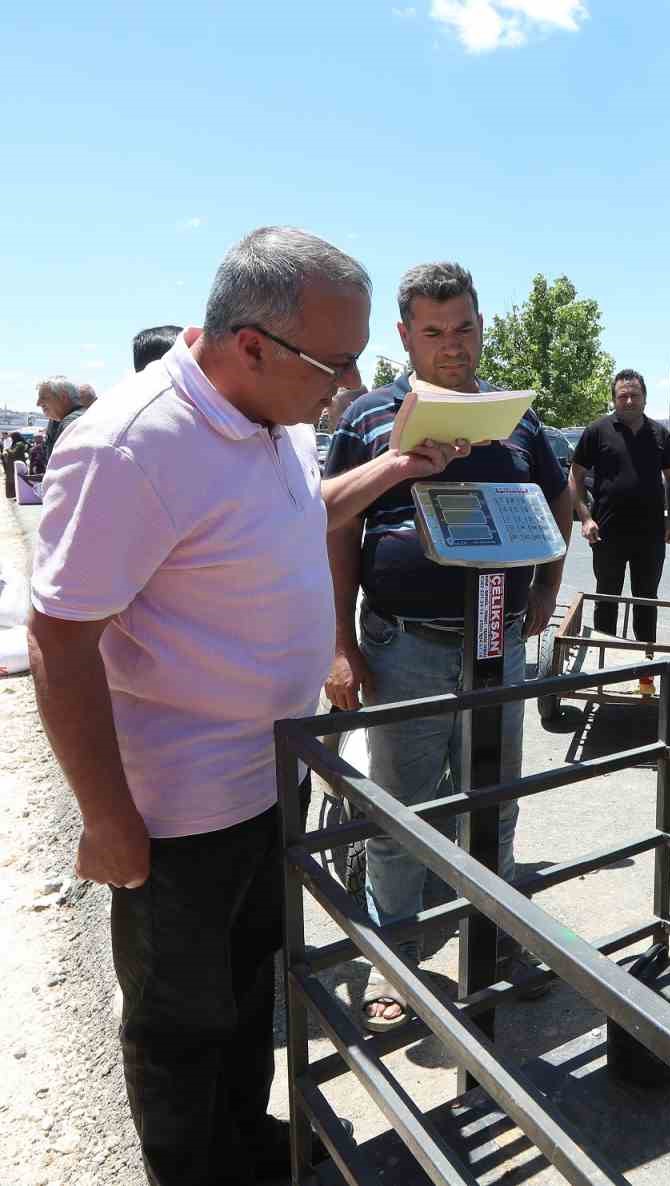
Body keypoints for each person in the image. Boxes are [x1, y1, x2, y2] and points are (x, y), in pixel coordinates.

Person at [27, 226, 375, 1186]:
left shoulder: (277, 420)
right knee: (182, 1017)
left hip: (268, 778)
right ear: (251, 344)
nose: (346, 386)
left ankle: (244, 1143)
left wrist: (391, 470)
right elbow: (60, 639)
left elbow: (300, 517)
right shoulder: (131, 446)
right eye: (334, 362)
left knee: (249, 980)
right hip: (176, 812)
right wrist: (106, 818)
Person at [323, 260, 572, 1032]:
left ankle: (493, 942)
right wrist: (338, 641)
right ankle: (392, 963)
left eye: (463, 327)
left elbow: (561, 501)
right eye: (433, 332)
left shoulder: (519, 420)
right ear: (405, 336)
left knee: (493, 805)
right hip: (407, 646)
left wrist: (543, 590)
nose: (452, 345)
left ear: (481, 324)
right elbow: (339, 531)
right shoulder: (371, 417)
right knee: (402, 812)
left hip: (499, 643)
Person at [569, 369, 670, 696]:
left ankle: (645, 678)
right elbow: (574, 479)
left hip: (650, 536)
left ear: (645, 397)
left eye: (634, 395)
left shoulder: (660, 434)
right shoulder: (596, 432)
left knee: (646, 602)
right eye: (622, 395)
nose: (628, 400)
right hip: (607, 535)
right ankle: (605, 674)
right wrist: (585, 518)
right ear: (614, 398)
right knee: (607, 602)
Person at [33, 376, 87, 473]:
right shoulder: (83, 416)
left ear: (64, 397)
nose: (38, 403)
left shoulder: (70, 422)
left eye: (43, 398)